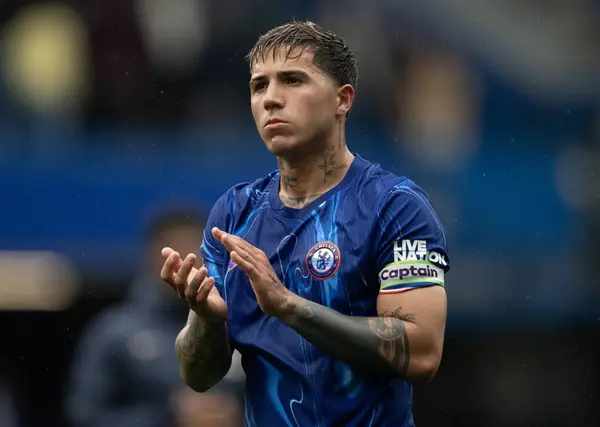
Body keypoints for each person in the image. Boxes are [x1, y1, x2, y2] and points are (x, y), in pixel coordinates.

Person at [161, 20, 449, 427]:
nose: (271, 99)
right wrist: (205, 320)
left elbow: (421, 354)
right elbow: (199, 377)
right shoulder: (234, 214)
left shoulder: (394, 206)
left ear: (342, 100)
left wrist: (289, 307)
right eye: (259, 86)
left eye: (292, 80)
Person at [65, 208, 244, 427]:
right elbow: (84, 415)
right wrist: (167, 417)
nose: (187, 263)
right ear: (153, 256)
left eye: (195, 250)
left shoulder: (242, 328)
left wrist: (239, 415)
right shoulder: (114, 332)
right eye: (176, 251)